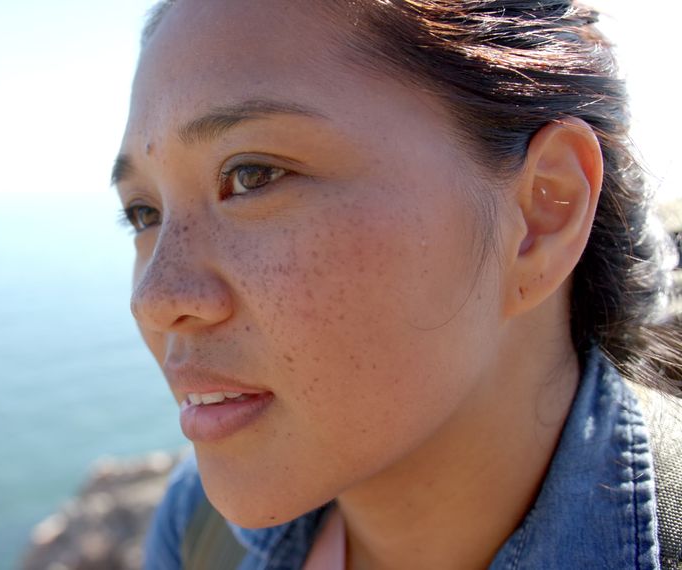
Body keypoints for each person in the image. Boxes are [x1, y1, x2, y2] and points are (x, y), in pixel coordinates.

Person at [110, 0, 682, 568]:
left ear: (541, 214)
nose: (153, 301)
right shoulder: (196, 530)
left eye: (252, 176)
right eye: (143, 213)